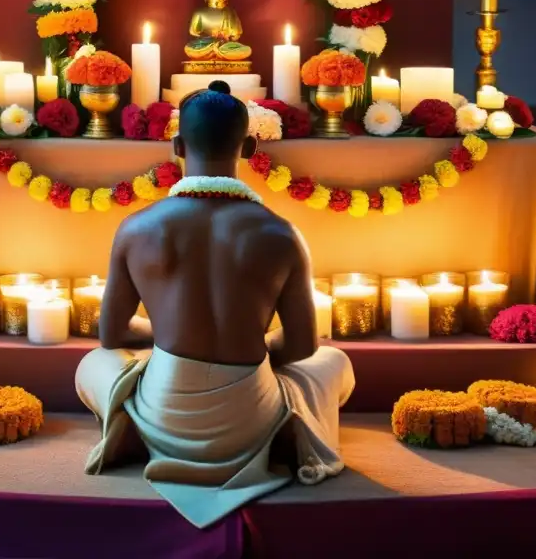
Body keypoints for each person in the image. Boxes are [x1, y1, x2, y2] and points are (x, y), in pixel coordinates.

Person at [75, 80, 355, 528]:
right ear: (247, 146)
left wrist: (169, 343)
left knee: (93, 365)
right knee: (333, 361)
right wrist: (250, 352)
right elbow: (303, 345)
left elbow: (110, 335)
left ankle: (136, 433)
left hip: (164, 411)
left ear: (177, 145)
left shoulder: (136, 228)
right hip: (251, 418)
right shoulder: (281, 233)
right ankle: (281, 437)